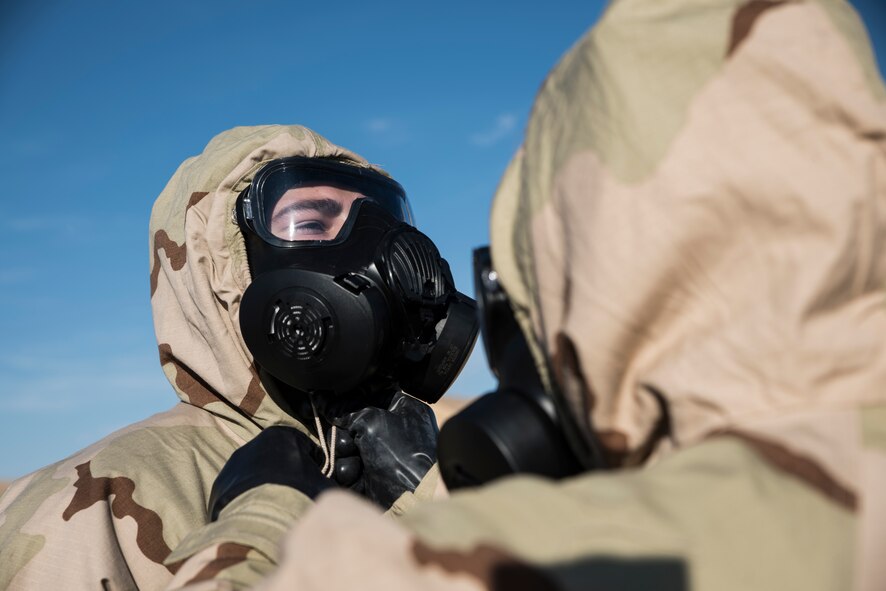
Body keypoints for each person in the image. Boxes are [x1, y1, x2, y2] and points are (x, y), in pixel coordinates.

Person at [159, 0, 886, 589]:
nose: (387, 256)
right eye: (312, 219)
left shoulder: (566, 546)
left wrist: (268, 510)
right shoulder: (119, 485)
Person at [0, 125, 478, 589]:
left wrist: (436, 507)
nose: (374, 253)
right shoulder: (89, 507)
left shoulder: (422, 467)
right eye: (312, 222)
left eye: (388, 229)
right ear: (221, 262)